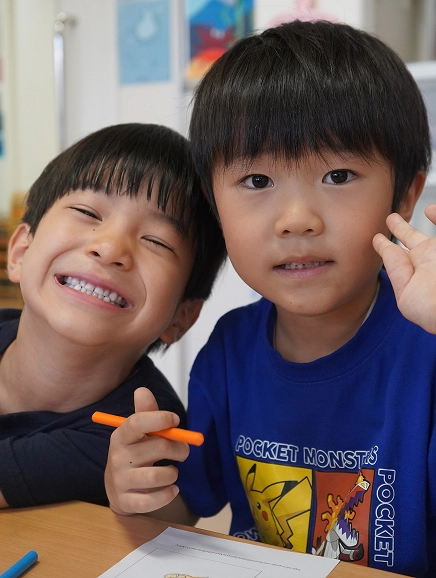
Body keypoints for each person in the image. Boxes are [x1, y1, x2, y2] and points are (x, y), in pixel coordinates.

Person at [104, 21, 436, 577]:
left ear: (403, 195)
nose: (296, 220)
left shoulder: (425, 347)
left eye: (338, 173)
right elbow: (188, 509)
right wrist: (142, 486)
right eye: (257, 182)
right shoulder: (229, 351)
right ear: (216, 205)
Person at [0, 123, 226, 509]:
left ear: (181, 317)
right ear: (20, 252)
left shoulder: (138, 433)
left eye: (156, 241)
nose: (109, 248)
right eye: (88, 211)